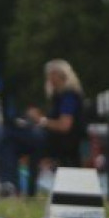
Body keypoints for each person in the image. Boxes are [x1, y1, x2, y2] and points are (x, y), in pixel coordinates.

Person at [22, 58, 85, 196]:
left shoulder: (69, 96)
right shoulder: (59, 97)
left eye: (52, 74)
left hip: (64, 141)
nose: (49, 78)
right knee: (22, 138)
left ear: (62, 75)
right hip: (58, 140)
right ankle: (22, 188)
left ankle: (23, 189)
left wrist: (41, 120)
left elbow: (64, 126)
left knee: (27, 141)